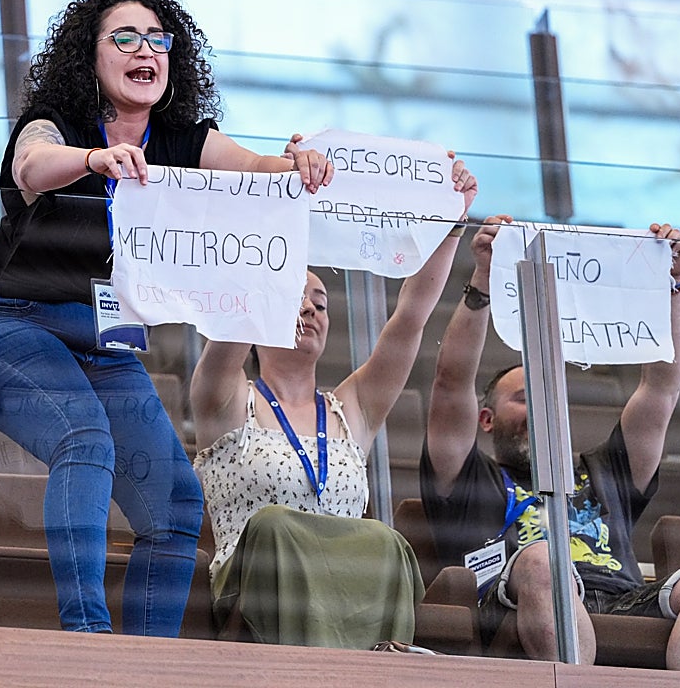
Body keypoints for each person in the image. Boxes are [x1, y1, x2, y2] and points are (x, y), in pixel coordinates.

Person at [0, 0, 333, 636]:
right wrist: (96, 159)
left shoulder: (184, 138)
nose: (144, 50)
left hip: (105, 339)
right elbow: (31, 165)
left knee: (178, 504)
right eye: (124, 38)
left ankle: (146, 665)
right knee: (86, 441)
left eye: (157, 39)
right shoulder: (57, 123)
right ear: (89, 57)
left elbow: (254, 170)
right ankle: (88, 643)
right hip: (6, 325)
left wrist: (296, 164)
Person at [188, 161, 477, 649]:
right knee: (276, 526)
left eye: (320, 303)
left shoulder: (352, 409)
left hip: (349, 593)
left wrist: (449, 223)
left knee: (387, 542)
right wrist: (275, 218)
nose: (309, 310)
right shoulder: (227, 399)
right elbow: (236, 312)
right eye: (293, 296)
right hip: (256, 596)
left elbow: (410, 319)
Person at [421, 217, 680, 670]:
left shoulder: (605, 470)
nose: (538, 407)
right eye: (523, 398)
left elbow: (661, 390)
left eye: (545, 395)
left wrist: (671, 287)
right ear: (487, 420)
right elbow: (450, 382)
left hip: (621, 598)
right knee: (541, 560)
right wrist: (482, 281)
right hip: (514, 600)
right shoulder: (466, 477)